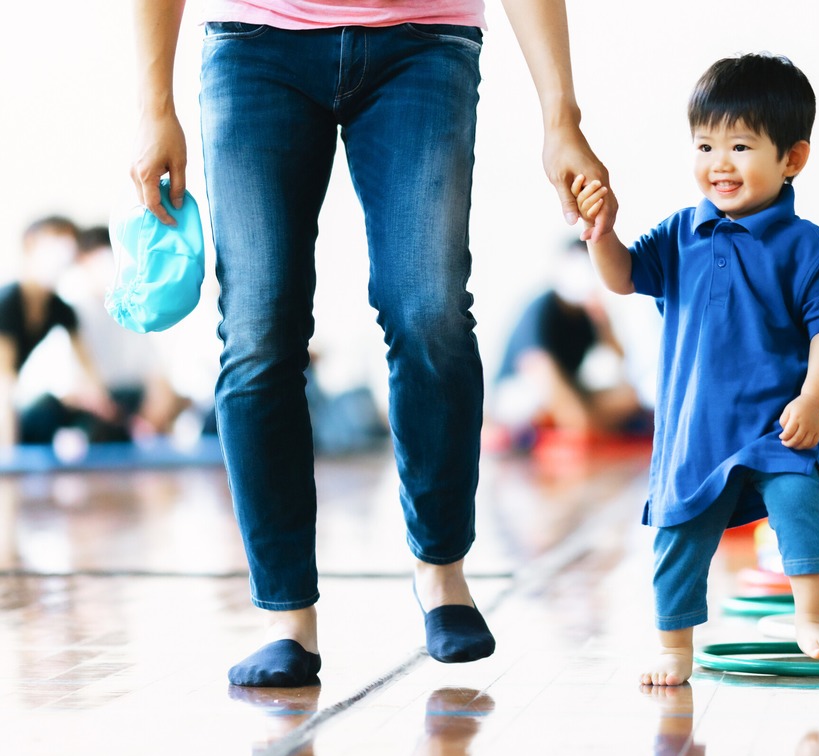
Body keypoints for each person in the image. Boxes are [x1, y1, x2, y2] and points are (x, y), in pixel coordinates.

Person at [129, 0, 616, 688]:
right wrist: (156, 106)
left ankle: (442, 573)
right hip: (256, 44)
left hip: (423, 41)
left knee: (430, 309)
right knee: (258, 332)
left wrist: (561, 119)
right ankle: (286, 617)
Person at [573, 53, 819, 686]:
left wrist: (813, 400)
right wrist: (600, 232)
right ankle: (674, 649)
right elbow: (622, 278)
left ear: (792, 159)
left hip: (775, 426)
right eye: (705, 145)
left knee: (802, 505)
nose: (718, 163)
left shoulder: (806, 244)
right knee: (679, 541)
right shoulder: (680, 232)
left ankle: (810, 616)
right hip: (694, 434)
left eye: (740, 145)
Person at [492, 239, 649, 441]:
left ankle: (586, 425)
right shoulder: (542, 309)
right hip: (522, 390)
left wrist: (604, 325)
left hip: (569, 385)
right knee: (547, 406)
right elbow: (542, 373)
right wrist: (578, 415)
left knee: (630, 398)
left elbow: (623, 363)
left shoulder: (588, 316)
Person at [58, 226, 191, 442]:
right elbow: (70, 390)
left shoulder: (130, 311)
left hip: (130, 405)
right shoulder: (70, 313)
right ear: (82, 262)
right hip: (94, 413)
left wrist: (152, 413)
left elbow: (155, 373)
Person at [0, 216, 121, 450]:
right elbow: (4, 382)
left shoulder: (60, 309)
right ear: (30, 245)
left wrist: (102, 402)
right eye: (54, 242)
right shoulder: (8, 303)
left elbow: (89, 370)